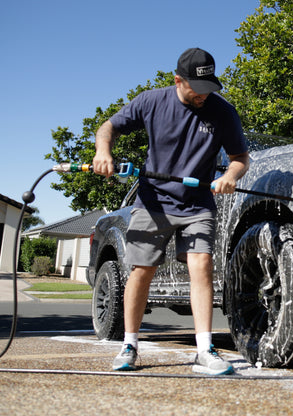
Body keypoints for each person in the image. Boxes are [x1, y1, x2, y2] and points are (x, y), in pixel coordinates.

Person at [93, 47, 249, 375]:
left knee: (202, 266)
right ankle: (130, 345)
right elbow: (107, 128)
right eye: (197, 88)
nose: (204, 95)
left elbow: (240, 158)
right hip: (153, 203)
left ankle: (205, 350)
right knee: (141, 270)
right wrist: (103, 152)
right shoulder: (151, 102)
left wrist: (229, 177)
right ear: (178, 80)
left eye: (209, 88)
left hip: (197, 205)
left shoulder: (223, 112)